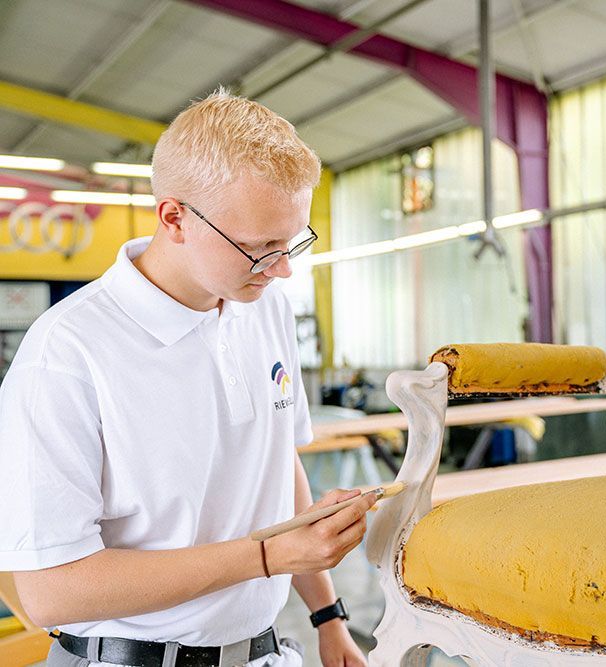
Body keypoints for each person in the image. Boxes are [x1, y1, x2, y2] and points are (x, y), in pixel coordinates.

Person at [0, 89, 372, 667]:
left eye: (291, 240)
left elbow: (274, 462)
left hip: (260, 651)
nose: (282, 268)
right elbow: (51, 593)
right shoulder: (68, 353)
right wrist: (270, 556)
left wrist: (328, 618)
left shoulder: (263, 305)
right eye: (258, 248)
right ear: (174, 218)